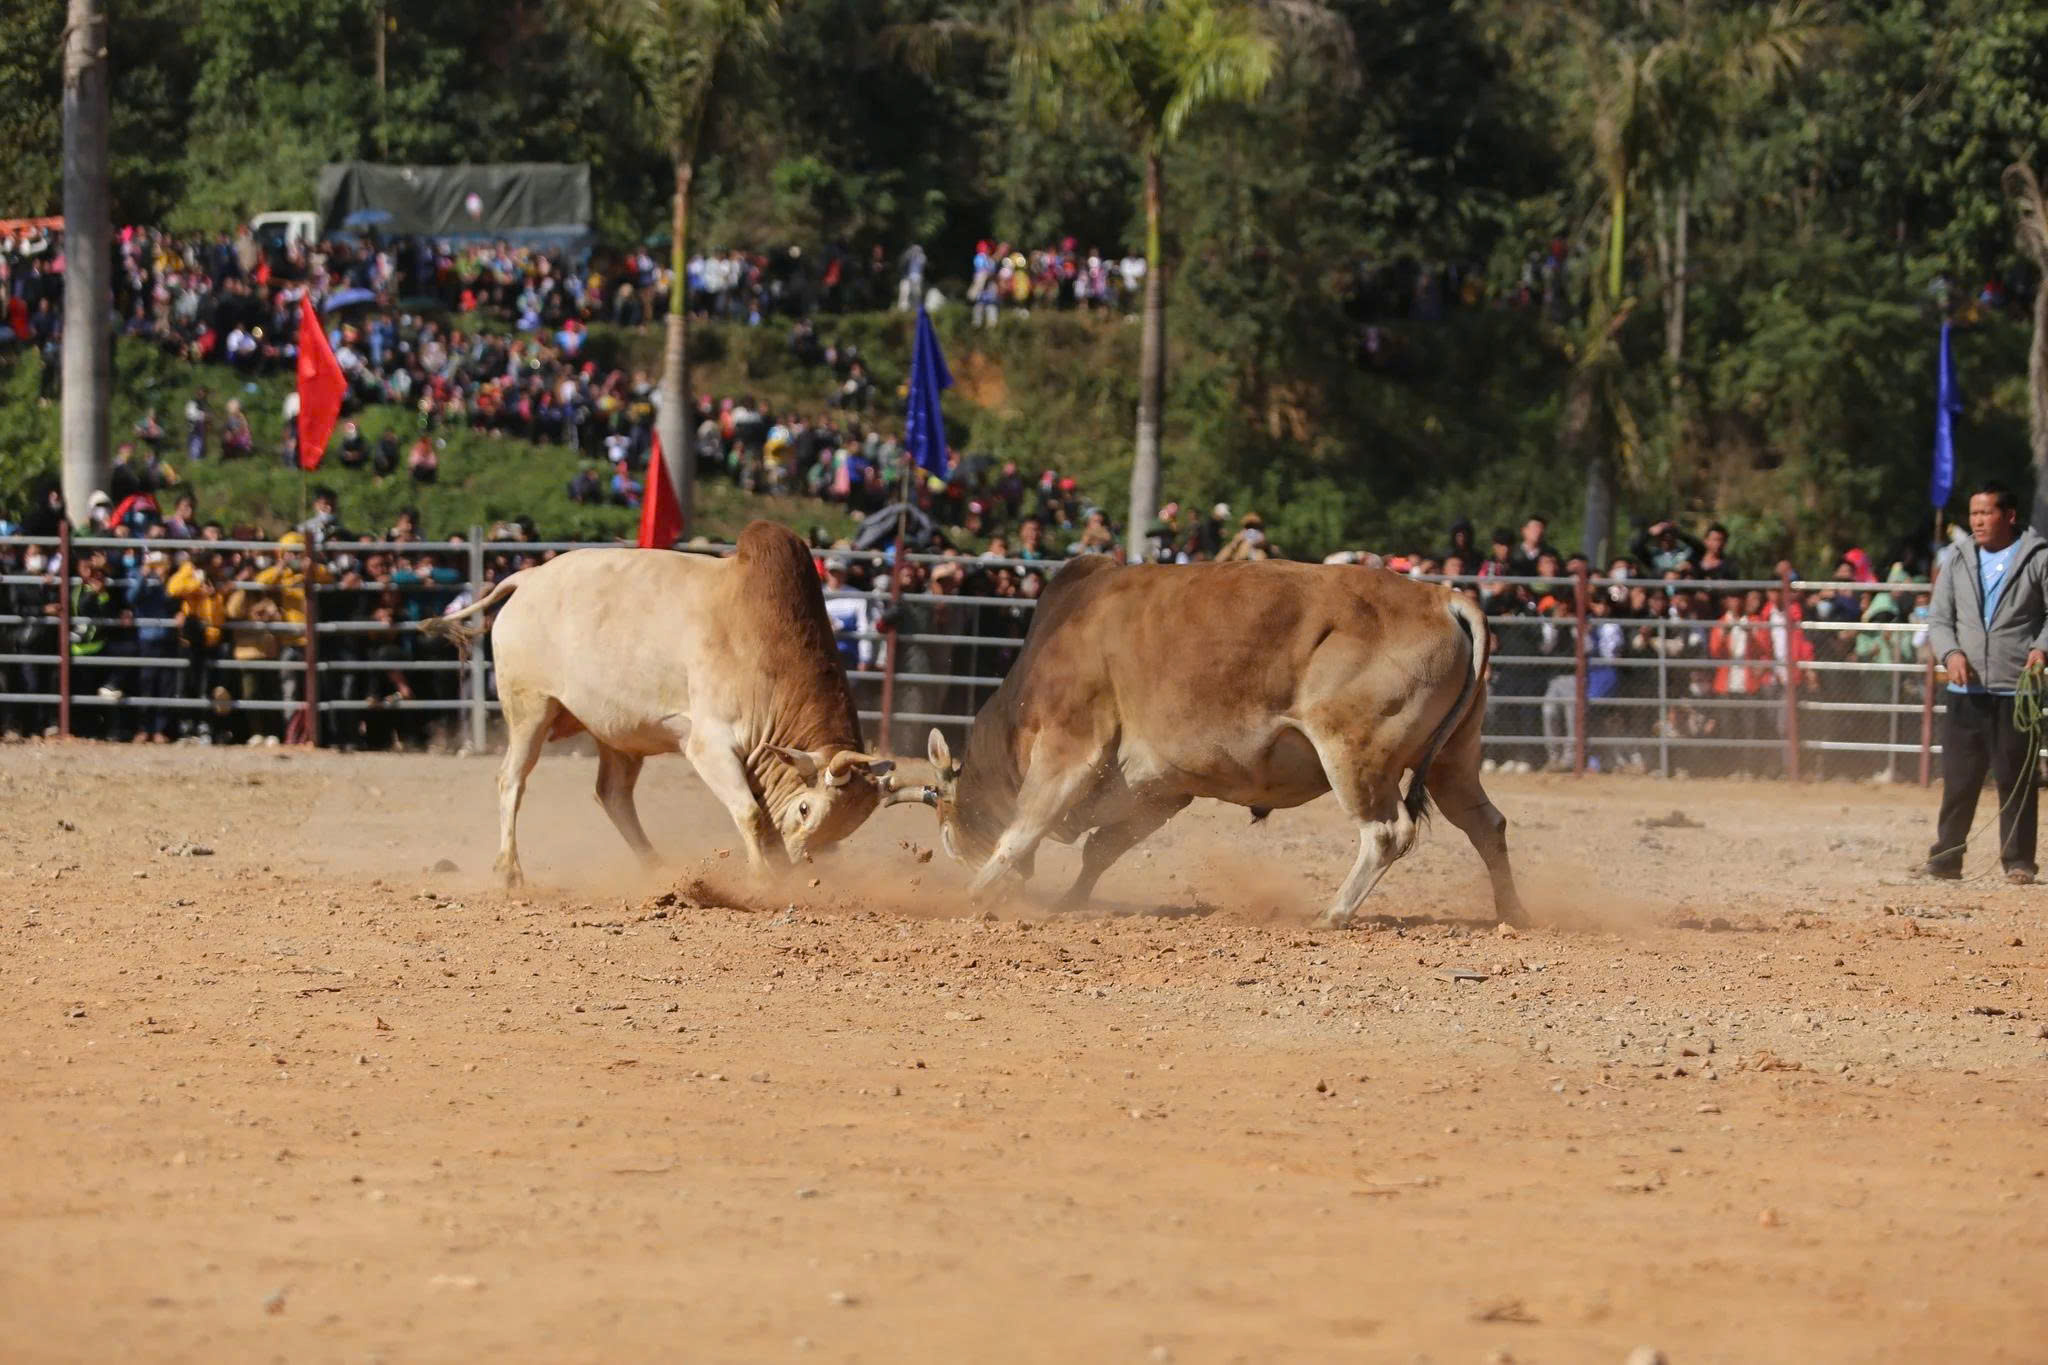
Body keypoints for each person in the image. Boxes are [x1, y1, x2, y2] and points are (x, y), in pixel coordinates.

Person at [1919, 482, 2048, 884]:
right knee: (1959, 779)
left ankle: (2018, 861)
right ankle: (1947, 858)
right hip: (1965, 692)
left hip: (2016, 689)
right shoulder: (1955, 558)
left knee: (2016, 779)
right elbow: (1939, 619)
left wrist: (2042, 648)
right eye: (1973, 513)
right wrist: (1950, 653)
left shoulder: (2038, 557)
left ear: (2008, 516)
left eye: (1985, 512)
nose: (1976, 520)